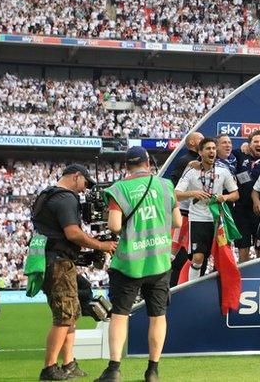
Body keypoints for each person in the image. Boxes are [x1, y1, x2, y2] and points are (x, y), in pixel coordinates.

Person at [95, 147, 181, 382]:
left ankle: (114, 369)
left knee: (120, 315)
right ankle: (153, 370)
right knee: (158, 316)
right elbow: (177, 220)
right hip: (160, 262)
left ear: (126, 167)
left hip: (129, 263)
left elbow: (113, 226)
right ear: (148, 163)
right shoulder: (166, 186)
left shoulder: (118, 189)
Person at [31, 165, 117, 381]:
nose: (85, 190)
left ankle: (68, 363)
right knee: (64, 316)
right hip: (58, 262)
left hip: (53, 260)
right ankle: (49, 369)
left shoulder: (47, 195)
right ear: (75, 176)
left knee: (71, 313)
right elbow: (72, 233)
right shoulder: (66, 198)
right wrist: (100, 245)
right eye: (85, 184)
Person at [174, 138, 238, 281]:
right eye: (208, 148)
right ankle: (192, 288)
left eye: (214, 149)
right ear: (200, 152)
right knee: (198, 257)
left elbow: (235, 194)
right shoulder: (191, 172)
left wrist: (225, 197)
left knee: (221, 258)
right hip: (198, 219)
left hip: (218, 221)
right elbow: (176, 194)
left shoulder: (223, 171)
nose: (212, 151)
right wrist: (193, 193)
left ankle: (221, 287)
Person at [231, 131, 260, 262]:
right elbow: (223, 154)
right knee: (243, 249)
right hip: (241, 212)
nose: (259, 144)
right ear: (249, 144)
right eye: (255, 141)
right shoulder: (239, 155)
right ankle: (244, 278)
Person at [168, 132, 203, 286]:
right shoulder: (185, 161)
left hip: (196, 215)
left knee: (188, 257)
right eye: (200, 140)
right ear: (192, 143)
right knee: (174, 256)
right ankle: (168, 286)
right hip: (183, 214)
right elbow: (173, 185)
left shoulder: (202, 161)